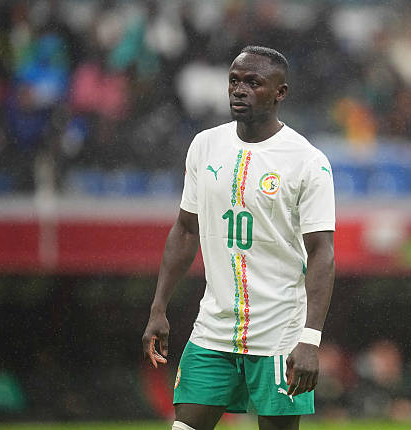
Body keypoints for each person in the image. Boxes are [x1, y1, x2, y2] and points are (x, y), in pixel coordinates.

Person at [142, 45, 335, 430]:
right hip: (213, 329)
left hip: (279, 334)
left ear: (280, 93)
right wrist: (158, 307)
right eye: (234, 81)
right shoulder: (204, 146)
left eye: (253, 82)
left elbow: (322, 253)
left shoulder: (307, 161)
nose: (239, 90)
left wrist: (310, 339)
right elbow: (185, 229)